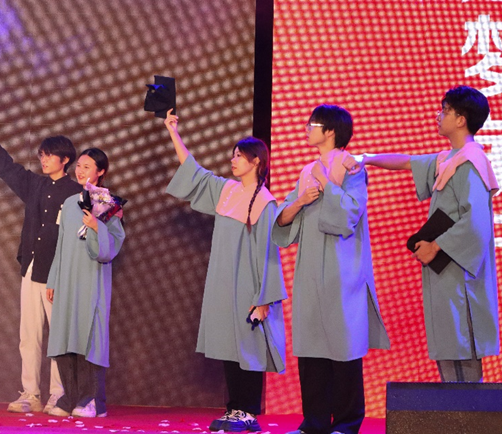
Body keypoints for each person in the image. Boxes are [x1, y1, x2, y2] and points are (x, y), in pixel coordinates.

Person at [352, 86, 499, 382]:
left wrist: (436, 246)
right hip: (447, 271)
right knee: (449, 347)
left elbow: (477, 223)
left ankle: (468, 411)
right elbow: (407, 161)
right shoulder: (450, 158)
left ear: (461, 119)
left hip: (461, 271)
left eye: (445, 110)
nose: (438, 115)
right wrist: (366, 158)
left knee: (463, 351)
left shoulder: (471, 162)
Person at [164, 109, 287, 432]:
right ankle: (234, 409)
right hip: (223, 282)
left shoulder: (265, 202)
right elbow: (193, 171)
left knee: (248, 347)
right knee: (229, 347)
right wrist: (174, 132)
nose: (233, 160)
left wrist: (264, 298)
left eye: (239, 156)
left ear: (256, 161)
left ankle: (248, 411)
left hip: (249, 286)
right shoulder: (227, 191)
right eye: (233, 155)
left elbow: (268, 253)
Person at [272, 104, 390, 434]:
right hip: (310, 269)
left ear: (331, 131)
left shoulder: (352, 168)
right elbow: (283, 219)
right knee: (311, 349)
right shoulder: (307, 170)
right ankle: (314, 422)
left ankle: (347, 423)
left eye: (313, 124)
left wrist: (327, 183)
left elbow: (349, 213)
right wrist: (300, 200)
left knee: (344, 348)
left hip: (343, 269)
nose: (307, 128)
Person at [0, 98, 80, 413]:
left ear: (65, 159)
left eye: (49, 155)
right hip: (31, 269)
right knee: (29, 335)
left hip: (57, 274)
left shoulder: (76, 193)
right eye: (42, 155)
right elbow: (6, 167)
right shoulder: (35, 184)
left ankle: (59, 395)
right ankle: (30, 394)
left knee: (59, 337)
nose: (44, 159)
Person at [44, 148, 125, 418]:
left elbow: (110, 248)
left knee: (89, 335)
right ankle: (71, 397)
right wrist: (53, 279)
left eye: (87, 166)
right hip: (67, 278)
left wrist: (96, 226)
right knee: (64, 334)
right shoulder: (69, 204)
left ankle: (93, 400)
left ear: (100, 171)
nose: (80, 171)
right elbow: (61, 245)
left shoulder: (110, 204)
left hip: (91, 278)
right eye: (79, 165)